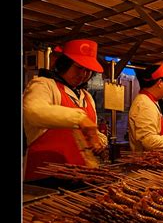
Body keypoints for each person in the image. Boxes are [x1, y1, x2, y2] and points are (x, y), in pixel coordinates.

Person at [23, 39, 107, 181]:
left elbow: (91, 130)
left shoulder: (86, 97)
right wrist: (79, 119)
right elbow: (33, 112)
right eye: (79, 68)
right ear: (64, 64)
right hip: (45, 176)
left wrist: (99, 140)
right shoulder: (43, 85)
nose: (83, 75)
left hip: (82, 176)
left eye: (88, 70)